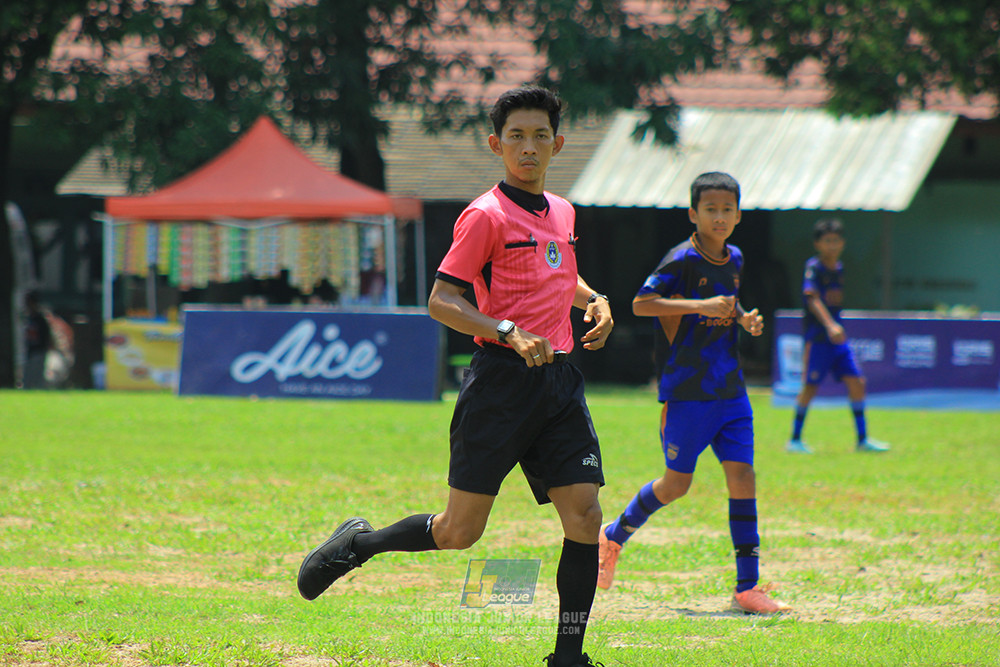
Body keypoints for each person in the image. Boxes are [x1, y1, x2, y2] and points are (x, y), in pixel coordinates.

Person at [296, 86, 613, 667]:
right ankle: (358, 544)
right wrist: (507, 331)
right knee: (458, 532)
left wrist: (595, 299)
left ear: (558, 143)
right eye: (516, 136)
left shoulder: (564, 212)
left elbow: (560, 274)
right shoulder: (484, 215)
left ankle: (568, 657)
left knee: (585, 517)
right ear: (496, 145)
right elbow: (441, 301)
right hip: (500, 385)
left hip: (560, 385)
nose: (528, 147)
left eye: (540, 135)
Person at [596, 172, 790, 615]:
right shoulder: (680, 259)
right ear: (693, 214)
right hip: (687, 392)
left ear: (738, 216)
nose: (719, 217)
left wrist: (743, 318)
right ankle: (614, 535)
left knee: (743, 477)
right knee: (675, 486)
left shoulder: (735, 258)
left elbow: (727, 301)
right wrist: (699, 305)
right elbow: (641, 303)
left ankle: (747, 587)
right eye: (710, 209)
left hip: (731, 391)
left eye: (727, 210)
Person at [786, 218, 890, 454]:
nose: (832, 245)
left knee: (857, 382)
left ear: (843, 243)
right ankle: (794, 440)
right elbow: (812, 299)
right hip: (819, 338)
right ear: (817, 244)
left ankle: (862, 440)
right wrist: (830, 325)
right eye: (827, 241)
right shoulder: (814, 267)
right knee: (810, 387)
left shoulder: (839, 267)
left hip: (838, 340)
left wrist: (835, 328)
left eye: (836, 240)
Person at [22, 290, 52, 389]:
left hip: (39, 351)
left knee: (38, 378)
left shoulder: (40, 319)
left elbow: (46, 336)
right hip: (30, 352)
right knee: (27, 378)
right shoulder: (28, 318)